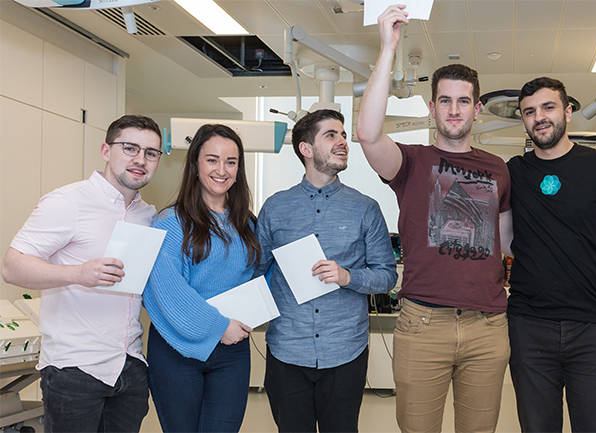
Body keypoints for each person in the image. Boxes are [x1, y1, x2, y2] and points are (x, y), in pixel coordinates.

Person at [356, 5, 513, 432]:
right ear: (432, 107)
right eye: (446, 100)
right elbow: (367, 134)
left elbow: (508, 243)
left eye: (464, 101)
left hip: (487, 327)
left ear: (477, 108)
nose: (455, 110)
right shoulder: (412, 162)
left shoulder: (499, 168)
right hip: (423, 325)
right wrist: (388, 47)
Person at [1, 115, 162, 432]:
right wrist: (77, 273)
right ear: (106, 151)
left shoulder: (148, 214)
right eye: (129, 148)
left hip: (128, 366)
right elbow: (12, 266)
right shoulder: (68, 202)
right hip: (74, 368)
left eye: (151, 153)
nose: (140, 159)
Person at [505, 77, 596, 432]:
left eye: (548, 107)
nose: (539, 118)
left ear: (567, 111)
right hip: (529, 325)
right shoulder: (514, 172)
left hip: (594, 327)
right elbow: (505, 240)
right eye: (529, 112)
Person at [253, 109, 397, 432]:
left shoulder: (366, 208)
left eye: (344, 135)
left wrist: (349, 276)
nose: (343, 141)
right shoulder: (275, 208)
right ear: (306, 149)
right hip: (287, 352)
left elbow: (387, 275)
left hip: (345, 352)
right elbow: (257, 271)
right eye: (331, 135)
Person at [142, 124, 260, 433]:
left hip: (231, 352)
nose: (222, 170)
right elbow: (166, 291)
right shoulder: (169, 223)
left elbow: (261, 274)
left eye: (231, 162)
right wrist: (219, 326)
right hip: (176, 351)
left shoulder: (247, 224)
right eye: (212, 160)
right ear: (195, 164)